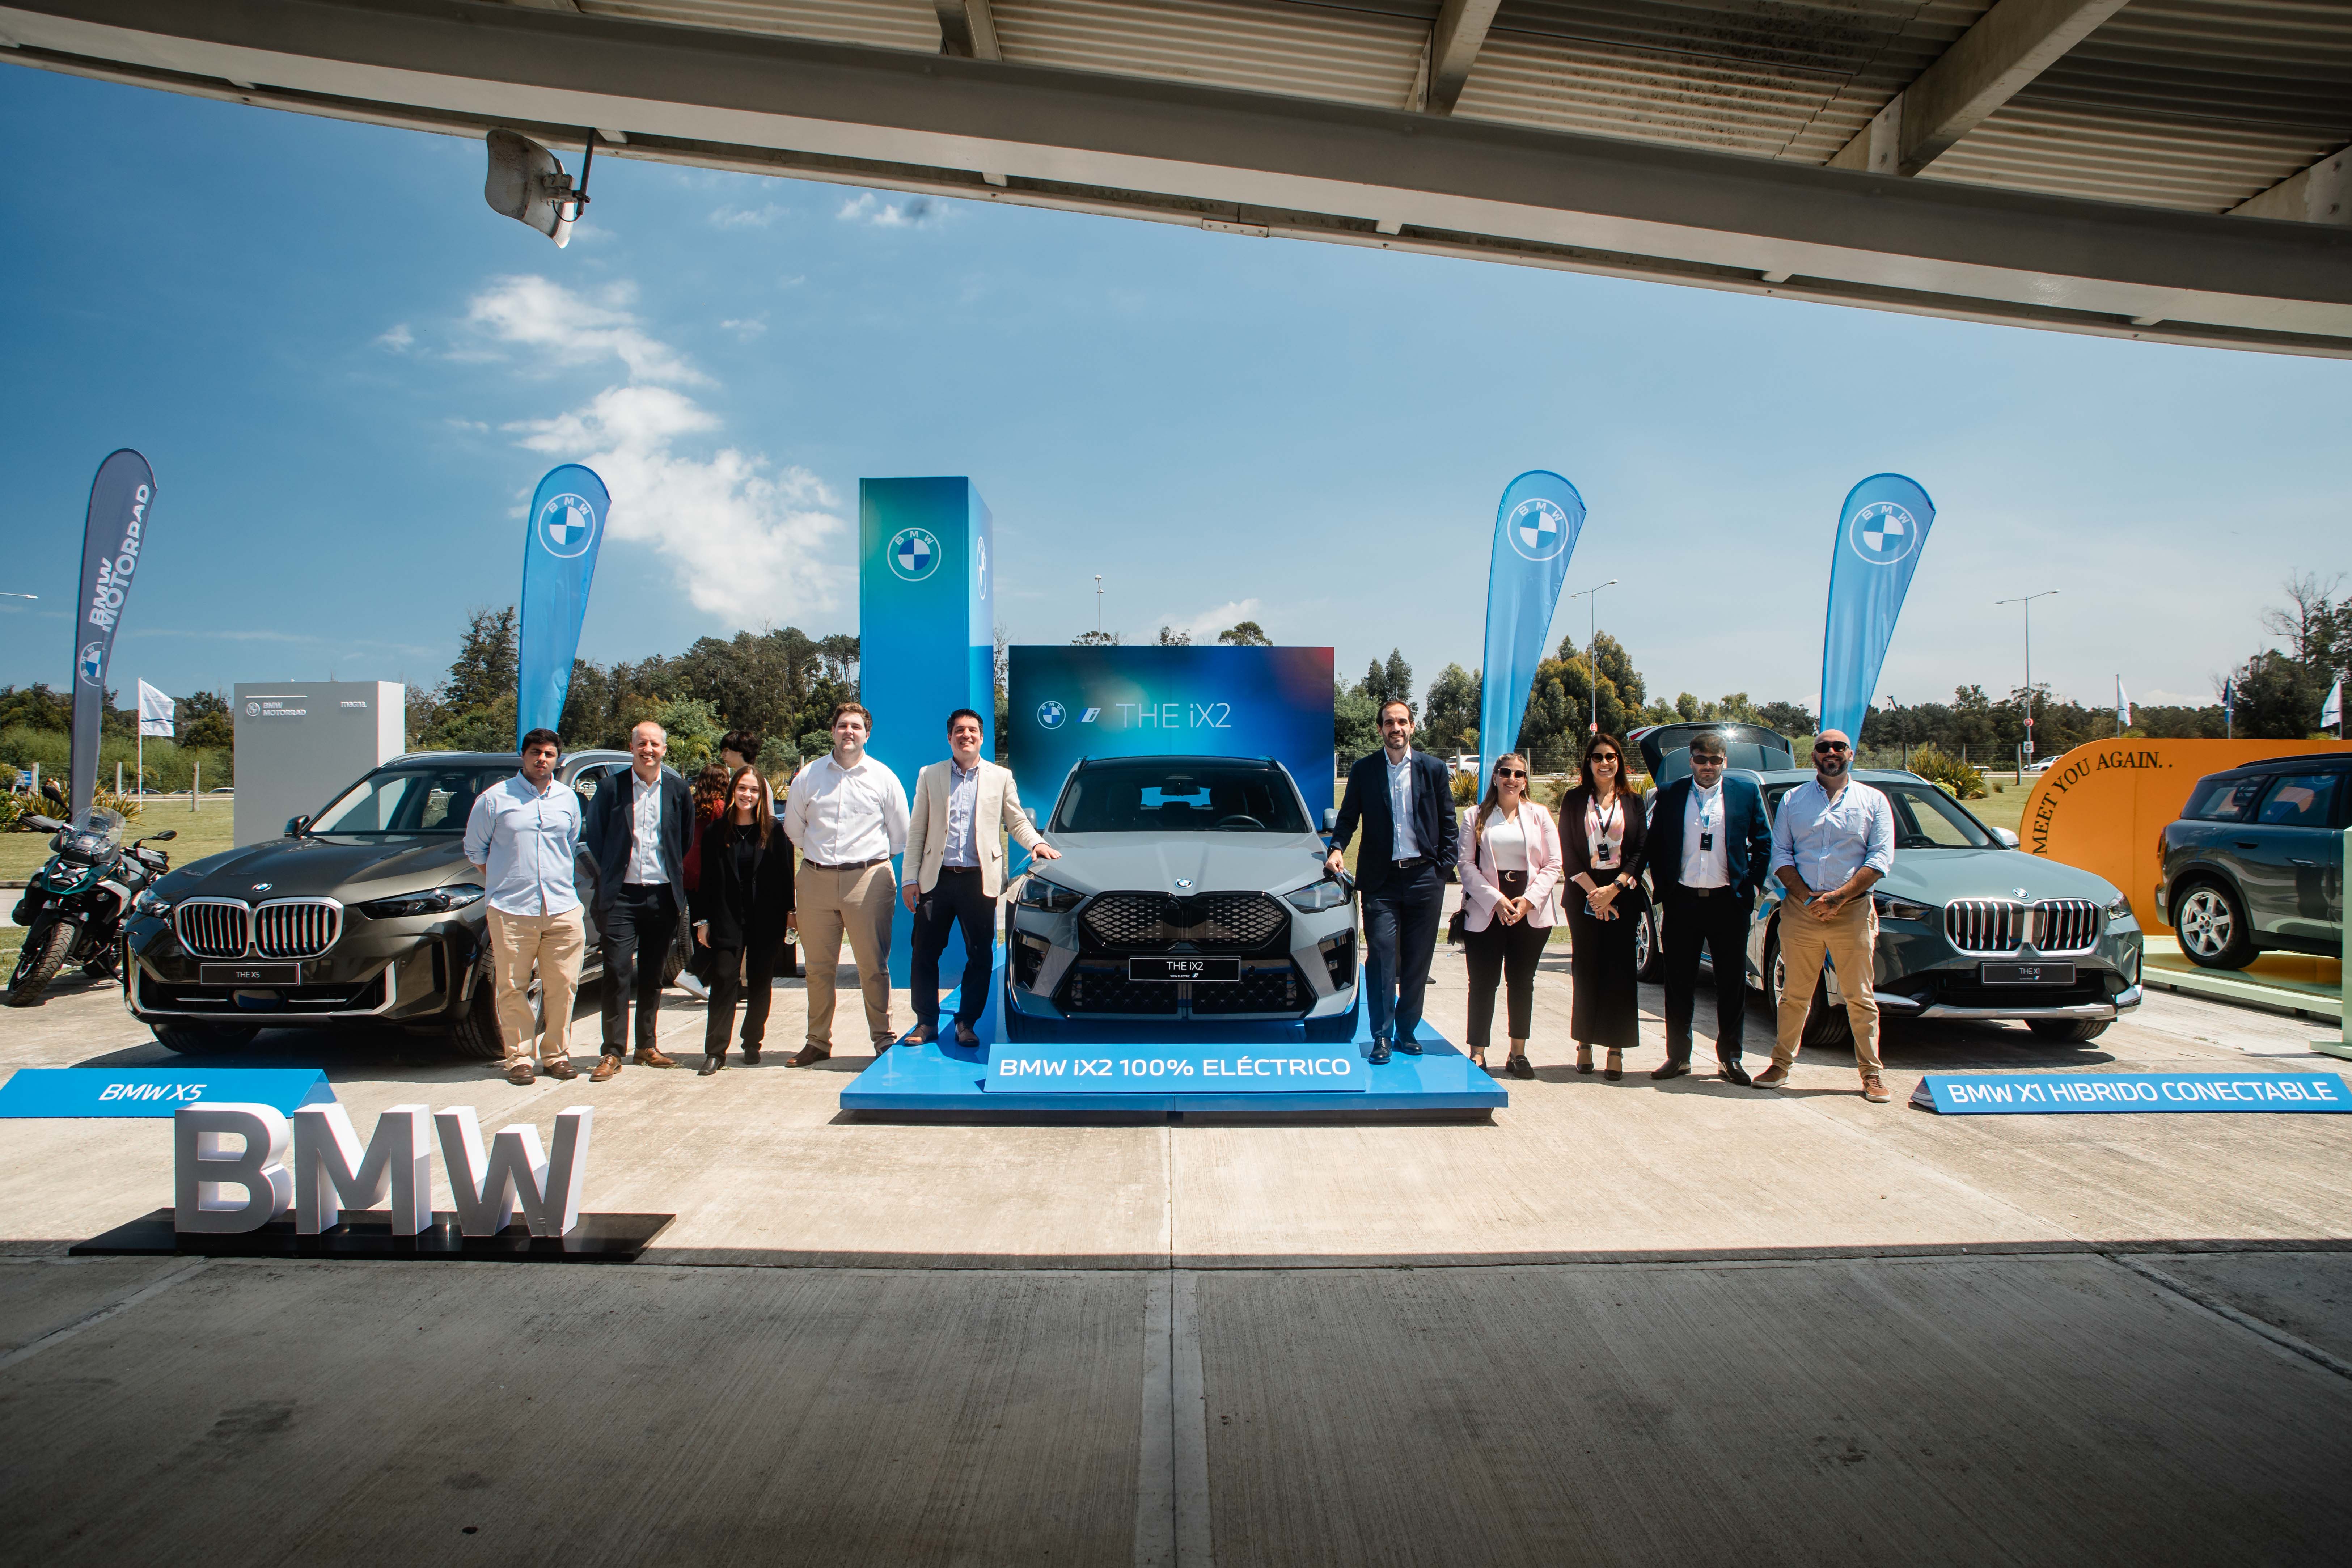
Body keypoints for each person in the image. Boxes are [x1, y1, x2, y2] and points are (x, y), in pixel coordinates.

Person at [901, 707, 1059, 1046]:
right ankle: (926, 1022)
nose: (966, 735)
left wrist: (1037, 843)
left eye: (972, 730)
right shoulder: (930, 775)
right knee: (924, 952)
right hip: (936, 880)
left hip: (979, 881)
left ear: (982, 737)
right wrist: (909, 878)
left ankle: (967, 1022)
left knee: (981, 954)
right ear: (950, 737)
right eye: (959, 730)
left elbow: (1016, 820)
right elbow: (917, 831)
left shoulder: (1000, 777)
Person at [1761, 728, 1897, 1102]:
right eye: (1823, 747)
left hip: (1851, 911)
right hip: (1801, 911)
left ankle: (1871, 1073)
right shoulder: (1794, 800)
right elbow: (1780, 854)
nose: (1831, 752)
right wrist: (1807, 898)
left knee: (1859, 997)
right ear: (1814, 756)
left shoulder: (1873, 800)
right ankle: (1780, 1065)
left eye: (1839, 747)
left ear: (1851, 754)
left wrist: (1838, 897)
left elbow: (1880, 858)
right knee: (1794, 995)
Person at [1325, 698, 1456, 1065]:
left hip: (1424, 878)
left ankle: (1407, 1031)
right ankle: (1381, 1036)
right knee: (1381, 956)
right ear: (1380, 728)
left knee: (1417, 960)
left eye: (1401, 721)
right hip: (1380, 882)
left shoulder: (1433, 769)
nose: (1395, 728)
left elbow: (1449, 823)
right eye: (1388, 722)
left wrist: (1442, 871)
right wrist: (1336, 848)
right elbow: (1348, 817)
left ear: (1412, 726)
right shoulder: (1364, 770)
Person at [781, 702, 910, 1067]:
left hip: (868, 880)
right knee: (818, 968)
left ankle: (883, 1038)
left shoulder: (883, 777)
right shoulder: (809, 775)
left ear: (867, 734)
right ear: (833, 731)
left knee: (872, 966)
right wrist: (823, 858)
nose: (848, 732)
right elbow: (794, 828)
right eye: (842, 726)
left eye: (856, 726)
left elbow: (900, 835)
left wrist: (862, 862)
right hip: (816, 879)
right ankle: (817, 1041)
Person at [1644, 731, 1774, 1085]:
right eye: (1701, 760)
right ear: (1691, 760)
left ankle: (1730, 1059)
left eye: (1715, 760)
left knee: (1731, 983)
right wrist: (1665, 886)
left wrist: (1750, 885)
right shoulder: (1670, 794)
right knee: (1678, 983)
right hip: (1683, 901)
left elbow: (1763, 842)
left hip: (1727, 903)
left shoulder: (1744, 793)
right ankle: (1678, 1057)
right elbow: (1655, 842)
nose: (1707, 766)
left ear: (1724, 762)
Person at [461, 728, 586, 1086]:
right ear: (523, 755)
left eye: (549, 753)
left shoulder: (567, 798)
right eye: (535, 752)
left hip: (562, 907)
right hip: (512, 910)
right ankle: (519, 1058)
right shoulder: (494, 799)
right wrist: (506, 880)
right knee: (512, 986)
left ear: (557, 759)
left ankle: (557, 1055)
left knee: (563, 985)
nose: (541, 759)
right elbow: (475, 850)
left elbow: (570, 842)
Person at [580, 719, 692, 1081]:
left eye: (655, 744)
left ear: (664, 749)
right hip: (621, 897)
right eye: (642, 743)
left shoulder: (677, 789)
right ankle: (612, 1051)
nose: (648, 750)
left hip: (662, 895)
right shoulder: (610, 789)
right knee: (616, 971)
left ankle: (646, 1045)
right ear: (632, 748)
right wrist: (616, 870)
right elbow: (597, 837)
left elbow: (684, 839)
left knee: (653, 973)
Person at [1456, 751, 1561, 1079]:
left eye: (1519, 774)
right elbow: (1465, 865)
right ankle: (1477, 1053)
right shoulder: (1475, 815)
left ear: (1526, 780)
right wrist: (1496, 900)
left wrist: (1528, 901)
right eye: (1505, 772)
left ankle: (1518, 1053)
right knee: (1483, 983)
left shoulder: (1540, 814)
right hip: (1487, 910)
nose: (1512, 779)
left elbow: (1554, 864)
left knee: (1521, 982)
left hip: (1529, 912)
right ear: (1495, 776)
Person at [693, 765, 796, 1075]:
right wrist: (702, 921)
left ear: (761, 795)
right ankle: (715, 1051)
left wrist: (791, 914)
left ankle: (752, 1042)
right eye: (742, 788)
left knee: (761, 982)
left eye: (753, 790)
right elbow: (705, 881)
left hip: (766, 918)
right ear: (732, 791)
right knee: (724, 979)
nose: (747, 795)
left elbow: (785, 875)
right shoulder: (716, 832)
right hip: (727, 918)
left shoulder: (774, 831)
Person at [1557, 732, 1646, 1079]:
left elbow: (1640, 849)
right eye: (1598, 757)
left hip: (1622, 892)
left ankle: (1616, 1047)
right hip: (1584, 891)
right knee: (1587, 968)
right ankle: (1585, 1042)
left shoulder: (1633, 801)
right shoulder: (1575, 799)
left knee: (1620, 971)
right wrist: (1596, 894)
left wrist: (1614, 889)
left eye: (1611, 757)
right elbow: (1567, 848)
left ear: (1619, 761)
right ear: (1589, 762)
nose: (1605, 763)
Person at [675, 761, 733, 1003]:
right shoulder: (720, 808)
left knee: (698, 925)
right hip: (709, 874)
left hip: (689, 872)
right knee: (718, 927)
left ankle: (701, 978)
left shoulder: (693, 804)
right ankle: (693, 973)